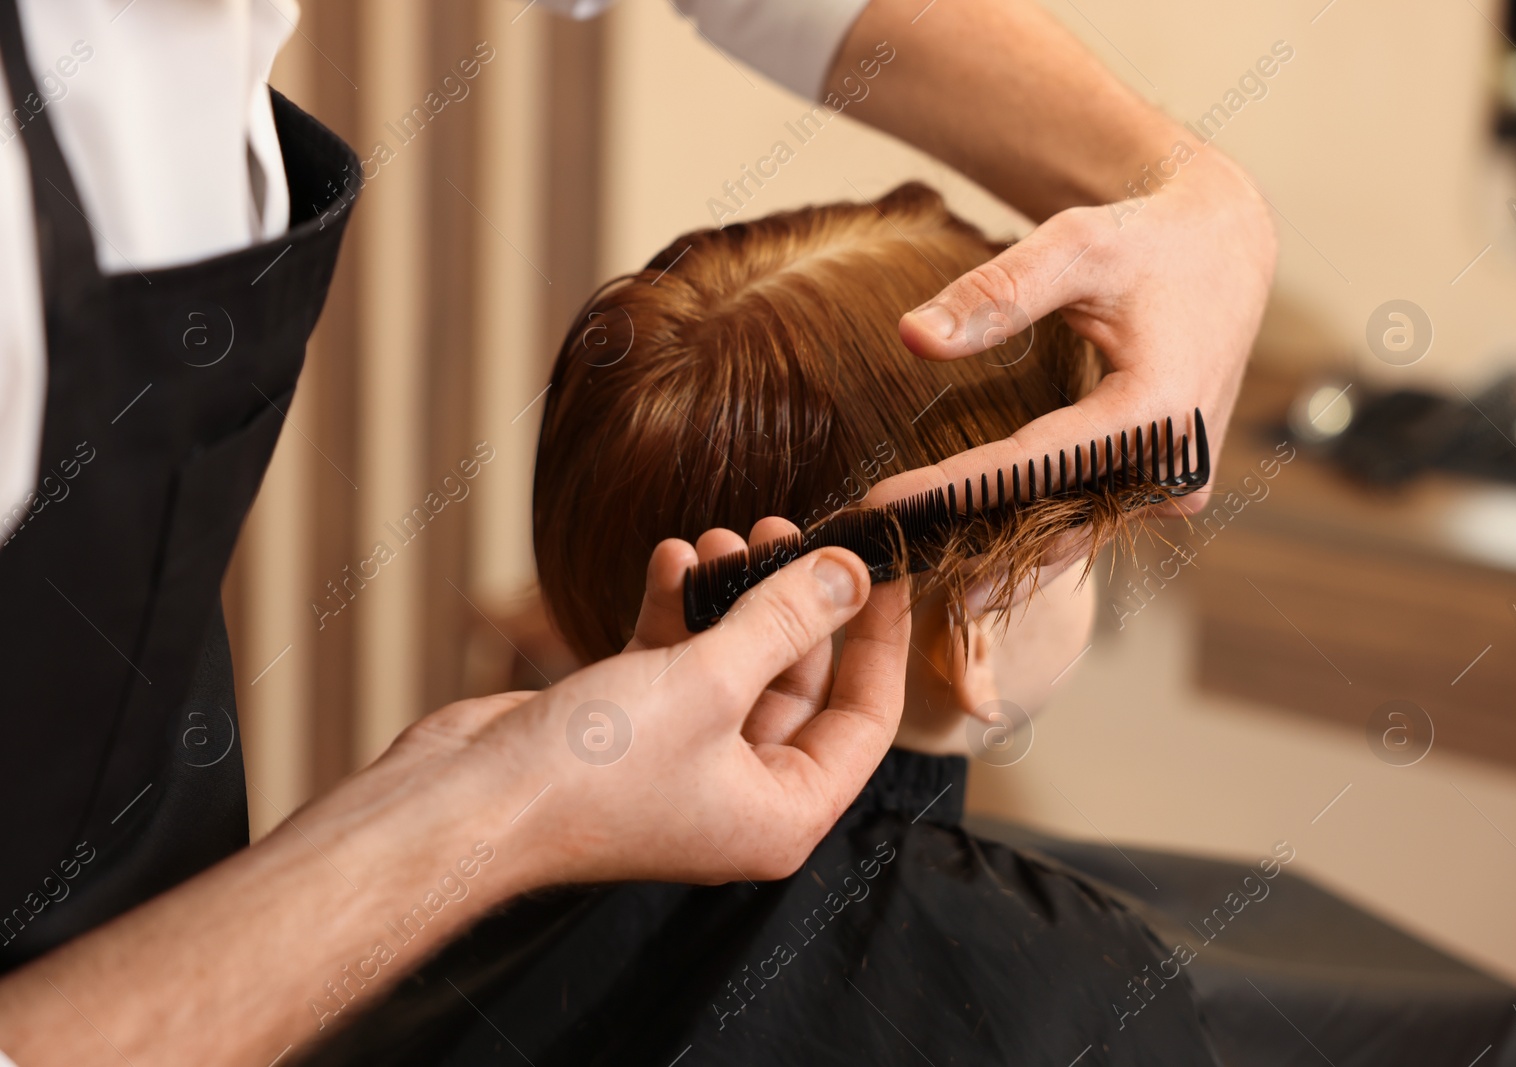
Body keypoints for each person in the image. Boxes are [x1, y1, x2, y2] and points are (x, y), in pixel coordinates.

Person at [0, 0, 1274, 1064]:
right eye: (1081, 540)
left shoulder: (390, 967)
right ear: (984, 616)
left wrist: (1190, 189)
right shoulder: (1047, 991)